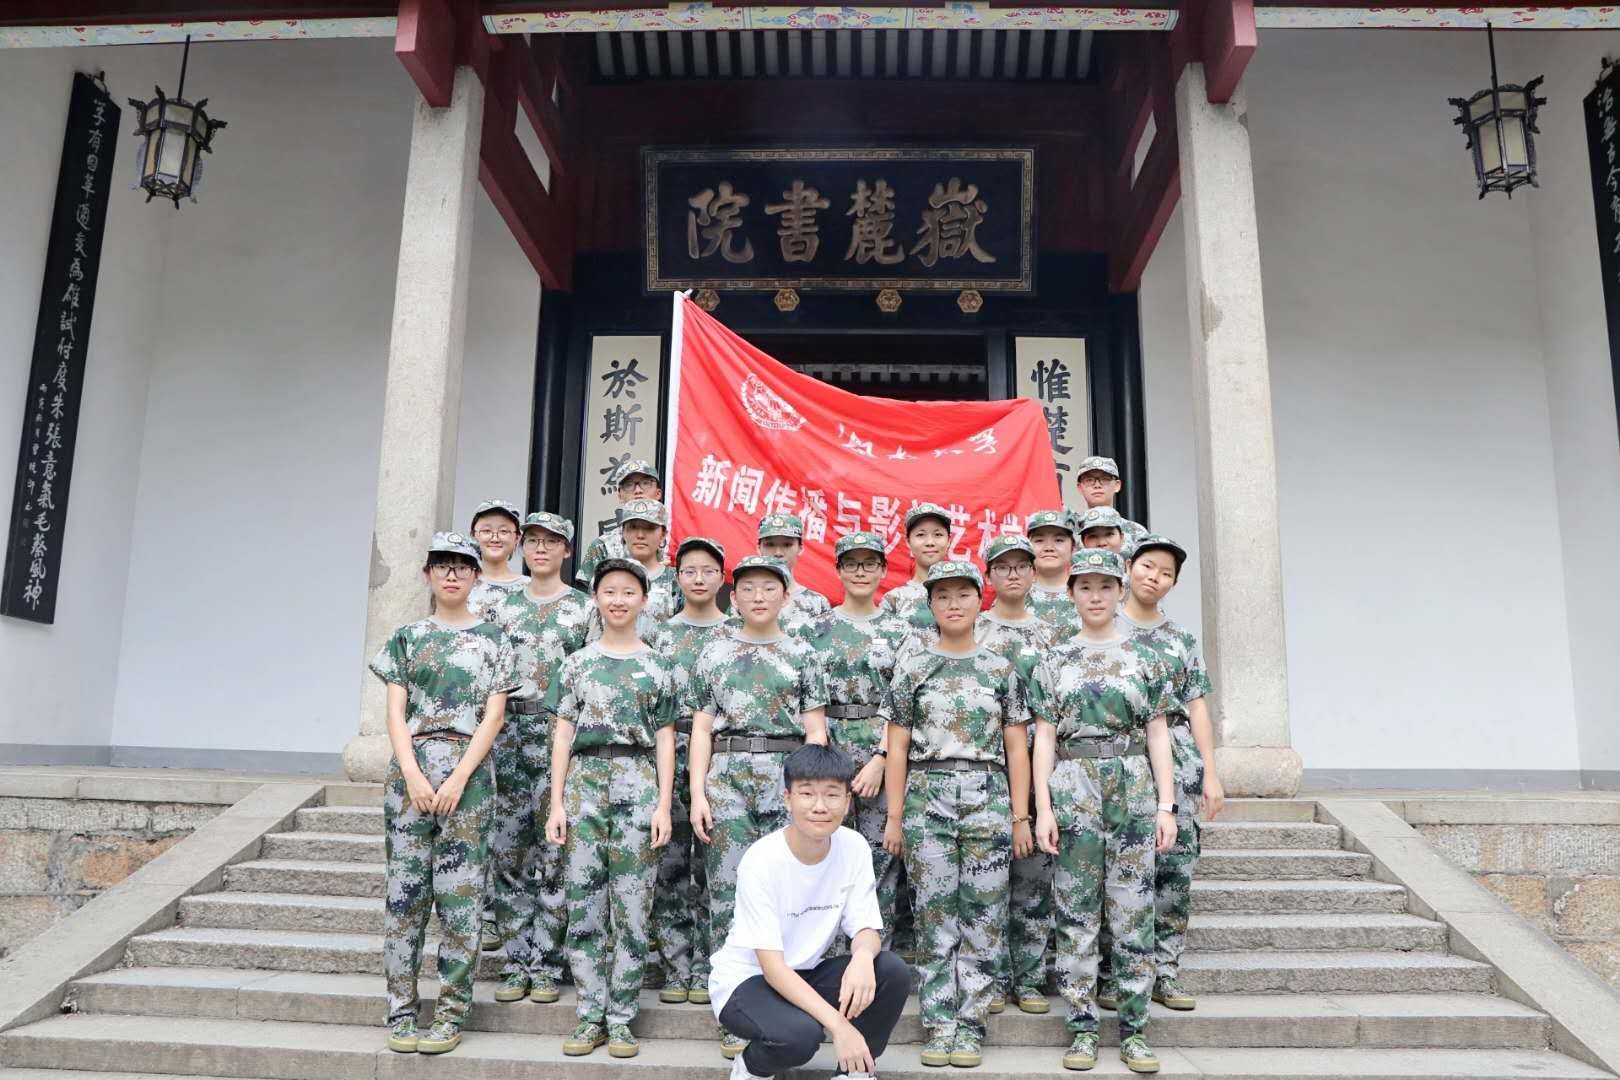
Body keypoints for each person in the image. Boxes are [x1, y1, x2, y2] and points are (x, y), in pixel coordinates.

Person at [1030, 548, 1178, 1075]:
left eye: (1105, 586)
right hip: (1074, 785)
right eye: (1085, 587)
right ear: (1072, 594)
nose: (1095, 596)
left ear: (1120, 591)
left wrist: (1167, 805)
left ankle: (1135, 1031)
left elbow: (1158, 734)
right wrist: (1043, 807)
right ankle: (1083, 1028)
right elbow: (1043, 737)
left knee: (1133, 911)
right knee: (1076, 913)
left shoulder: (1145, 656)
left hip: (1132, 785)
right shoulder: (1054, 658)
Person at [369, 531, 517, 1057]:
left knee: (460, 900)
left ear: (476, 575)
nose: (451, 574)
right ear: (427, 574)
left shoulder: (495, 640)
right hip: (410, 773)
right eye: (441, 565)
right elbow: (395, 713)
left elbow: (493, 717)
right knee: (405, 898)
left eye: (461, 566)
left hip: (468, 776)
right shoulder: (407, 637)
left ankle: (452, 1013)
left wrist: (458, 778)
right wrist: (412, 773)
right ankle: (401, 1010)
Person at [884, 560, 1032, 1070]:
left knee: (984, 916)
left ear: (979, 601)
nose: (953, 604)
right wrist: (895, 817)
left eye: (963, 594)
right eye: (942, 596)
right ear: (930, 605)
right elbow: (897, 748)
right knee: (934, 916)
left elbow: (1017, 748)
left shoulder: (1000, 669)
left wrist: (1020, 817)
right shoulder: (913, 668)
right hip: (928, 796)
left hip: (988, 795)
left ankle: (971, 1024)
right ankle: (939, 1021)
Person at [690, 554, 830, 1060]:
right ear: (734, 597)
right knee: (727, 890)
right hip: (727, 777)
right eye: (747, 588)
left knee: (787, 892)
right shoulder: (714, 653)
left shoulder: (803, 653)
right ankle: (734, 1008)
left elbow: (816, 731)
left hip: (785, 777)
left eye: (769, 588)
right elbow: (702, 729)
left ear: (785, 596)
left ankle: (787, 1003)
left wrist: (810, 794)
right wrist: (698, 792)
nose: (758, 596)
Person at [710, 744, 912, 1080]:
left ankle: (854, 1073)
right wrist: (840, 1027)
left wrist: (863, 958)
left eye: (832, 795)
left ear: (847, 801)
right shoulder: (762, 860)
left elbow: (865, 927)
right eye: (807, 794)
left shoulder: (854, 847)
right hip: (748, 981)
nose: (820, 806)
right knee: (800, 1036)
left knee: (890, 970)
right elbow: (773, 969)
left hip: (806, 973)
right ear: (788, 799)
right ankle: (751, 1068)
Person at [544, 557, 676, 1060]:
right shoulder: (576, 664)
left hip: (638, 783)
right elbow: (562, 737)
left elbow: (666, 740)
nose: (618, 600)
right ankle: (589, 1014)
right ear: (596, 599)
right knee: (583, 901)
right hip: (584, 783)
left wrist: (663, 805)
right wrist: (556, 804)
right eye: (609, 592)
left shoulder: (658, 665)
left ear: (644, 600)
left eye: (628, 592)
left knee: (632, 905)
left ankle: (620, 1017)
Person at [1112, 534, 1224, 1012]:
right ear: (1129, 567)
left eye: (1165, 573)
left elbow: (1197, 707)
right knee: (1119, 872)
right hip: (1121, 759)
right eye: (1147, 566)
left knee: (1173, 872)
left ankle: (1165, 972)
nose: (1154, 577)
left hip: (1177, 757)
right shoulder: (1103, 627)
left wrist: (1211, 773)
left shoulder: (1180, 639)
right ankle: (1115, 974)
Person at [485, 512, 592, 1007]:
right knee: (508, 852)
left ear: (568, 550)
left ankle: (547, 962)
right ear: (522, 548)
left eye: (553, 541)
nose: (542, 549)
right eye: (533, 541)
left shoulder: (584, 609)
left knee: (555, 854)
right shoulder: (501, 608)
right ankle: (515, 961)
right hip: (506, 735)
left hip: (558, 738)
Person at [805, 531, 910, 940]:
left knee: (880, 858)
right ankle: (826, 957)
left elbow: (904, 702)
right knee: (825, 855)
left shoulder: (901, 631)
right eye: (851, 563)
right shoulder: (815, 630)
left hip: (884, 749)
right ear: (839, 570)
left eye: (870, 564)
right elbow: (806, 698)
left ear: (883, 571)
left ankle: (873, 954)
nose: (860, 572)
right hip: (828, 749)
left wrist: (882, 759)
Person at [646, 536, 733, 1006]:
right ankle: (677, 966)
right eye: (689, 571)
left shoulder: (736, 632)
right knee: (671, 864)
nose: (699, 579)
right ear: (676, 577)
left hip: (722, 760)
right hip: (667, 756)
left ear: (723, 578)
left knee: (715, 868)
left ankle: (710, 965)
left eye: (708, 570)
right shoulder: (659, 635)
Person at [977, 535, 1059, 1018]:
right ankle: (988, 979)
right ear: (988, 575)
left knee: (1033, 878)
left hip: (1040, 766)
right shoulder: (973, 628)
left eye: (1020, 566)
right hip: (986, 769)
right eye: (1002, 567)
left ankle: (1028, 978)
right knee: (985, 883)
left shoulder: (1053, 634)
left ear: (1033, 573)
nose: (1012, 574)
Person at [586, 498, 679, 641]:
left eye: (649, 528)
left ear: (662, 535)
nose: (640, 535)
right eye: (633, 527)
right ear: (623, 533)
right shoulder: (603, 579)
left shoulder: (676, 581)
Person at [729, 513, 831, 637]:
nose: (778, 553)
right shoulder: (745, 599)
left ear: (800, 548)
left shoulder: (816, 603)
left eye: (787, 545)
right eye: (770, 544)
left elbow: (824, 645)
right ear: (758, 548)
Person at [575, 459, 662, 588]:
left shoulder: (674, 541)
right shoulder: (603, 545)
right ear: (620, 496)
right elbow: (584, 593)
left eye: (646, 483)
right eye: (629, 485)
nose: (638, 490)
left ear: (658, 493)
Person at [878, 503, 953, 629]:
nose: (930, 542)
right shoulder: (895, 600)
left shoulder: (963, 594)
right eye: (921, 535)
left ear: (949, 540)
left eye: (938, 534)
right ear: (908, 541)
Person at [466, 499, 530, 621]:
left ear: (517, 538)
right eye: (486, 531)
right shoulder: (459, 585)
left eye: (503, 531)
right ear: (474, 535)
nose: (495, 539)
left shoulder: (530, 588)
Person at [1025, 510, 1081, 642]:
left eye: (1059, 540)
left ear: (1073, 548)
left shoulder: (1088, 594)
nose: (1049, 548)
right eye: (1039, 540)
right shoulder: (1016, 595)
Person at [1073, 456, 1147, 553]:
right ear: (1079, 487)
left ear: (1117, 485)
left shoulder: (1136, 532)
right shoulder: (1070, 532)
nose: (1097, 485)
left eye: (1105, 479)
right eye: (1089, 480)